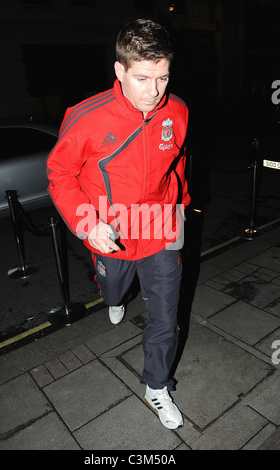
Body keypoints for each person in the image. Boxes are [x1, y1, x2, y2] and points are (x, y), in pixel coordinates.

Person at [47, 18, 190, 430]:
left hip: (162, 228)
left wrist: (181, 207)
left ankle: (156, 386)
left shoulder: (177, 112)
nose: (155, 91)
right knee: (114, 287)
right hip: (110, 231)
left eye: (162, 78)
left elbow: (178, 164)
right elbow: (59, 174)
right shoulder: (86, 117)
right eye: (143, 78)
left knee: (166, 315)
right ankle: (111, 295)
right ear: (119, 71)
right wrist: (85, 221)